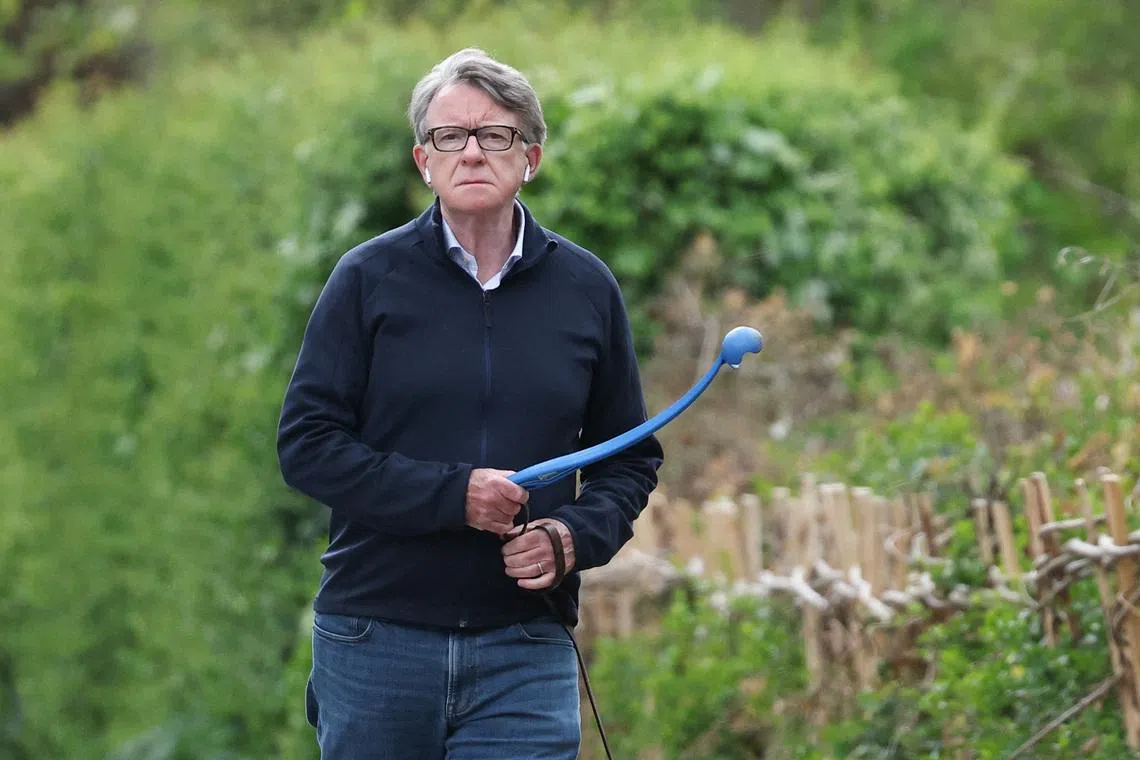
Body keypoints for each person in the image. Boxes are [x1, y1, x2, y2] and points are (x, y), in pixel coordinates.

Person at [276, 47, 663, 759]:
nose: (473, 152)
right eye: (450, 136)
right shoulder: (366, 280)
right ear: (425, 161)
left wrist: (572, 537)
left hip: (525, 644)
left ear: (531, 157)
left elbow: (629, 461)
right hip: (375, 641)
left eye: (496, 135)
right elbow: (307, 447)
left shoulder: (586, 289)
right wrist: (454, 496)